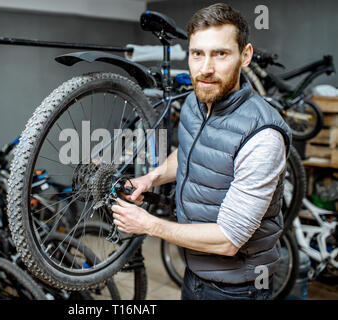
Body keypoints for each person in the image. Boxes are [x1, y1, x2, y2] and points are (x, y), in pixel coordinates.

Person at [111, 3, 292, 300]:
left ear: (244, 56)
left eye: (220, 54)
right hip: (196, 272)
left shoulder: (263, 136)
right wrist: (151, 179)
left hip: (239, 288)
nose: (206, 68)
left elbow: (229, 240)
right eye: (198, 54)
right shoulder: (198, 104)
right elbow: (190, 153)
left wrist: (149, 225)